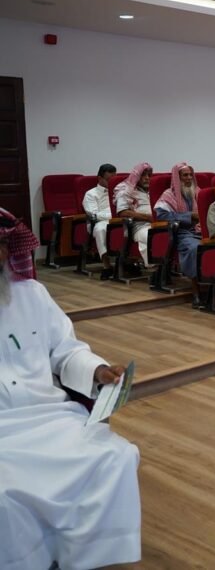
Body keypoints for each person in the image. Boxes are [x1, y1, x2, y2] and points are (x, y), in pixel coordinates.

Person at [0, 208, 141, 570]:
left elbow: (65, 351)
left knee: (116, 457)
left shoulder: (32, 294)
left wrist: (98, 371)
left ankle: (83, 556)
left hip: (51, 416)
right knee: (5, 496)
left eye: (1, 245)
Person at [155, 161, 202, 306]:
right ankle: (196, 292)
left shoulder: (198, 192)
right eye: (185, 175)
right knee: (195, 249)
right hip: (183, 232)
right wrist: (189, 216)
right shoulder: (169, 195)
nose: (189, 178)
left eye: (190, 175)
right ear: (177, 177)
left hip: (202, 230)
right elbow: (161, 215)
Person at [113, 161, 154, 269]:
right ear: (136, 176)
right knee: (154, 237)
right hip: (139, 226)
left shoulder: (151, 191)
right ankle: (157, 267)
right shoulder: (126, 191)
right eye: (143, 175)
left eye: (149, 175)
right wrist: (148, 218)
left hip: (158, 224)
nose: (147, 178)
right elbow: (123, 212)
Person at [81, 163, 116, 280]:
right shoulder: (91, 194)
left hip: (118, 219)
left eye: (114, 179)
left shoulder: (118, 192)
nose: (112, 182)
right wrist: (112, 216)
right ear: (100, 178)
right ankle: (107, 266)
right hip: (98, 222)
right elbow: (94, 215)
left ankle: (128, 263)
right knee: (101, 229)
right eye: (109, 180)